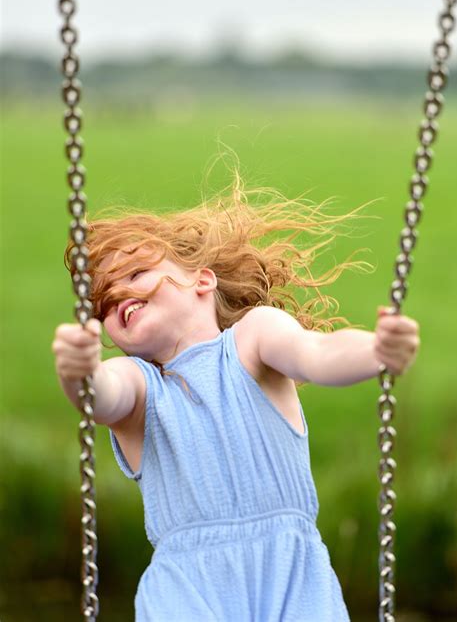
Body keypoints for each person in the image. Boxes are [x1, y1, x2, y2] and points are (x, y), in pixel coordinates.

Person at [52, 172, 420, 621]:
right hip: (188, 593)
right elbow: (101, 395)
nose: (120, 295)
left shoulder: (254, 338)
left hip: (291, 580)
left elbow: (318, 354)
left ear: (202, 281)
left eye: (136, 273)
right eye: (105, 303)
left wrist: (377, 350)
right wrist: (79, 370)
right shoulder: (141, 387)